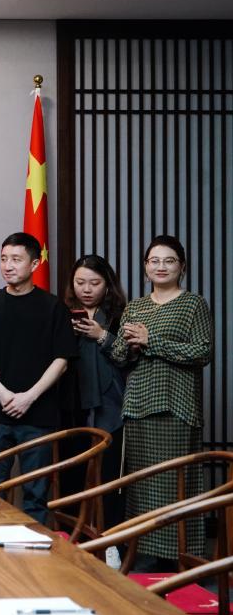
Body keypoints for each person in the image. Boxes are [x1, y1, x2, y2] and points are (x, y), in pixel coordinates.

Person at [111, 235, 212, 565]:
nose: (161, 266)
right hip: (138, 406)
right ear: (145, 267)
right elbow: (119, 356)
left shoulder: (193, 304)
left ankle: (180, 559)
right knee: (140, 487)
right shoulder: (135, 306)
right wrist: (130, 345)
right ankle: (141, 558)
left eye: (169, 261)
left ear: (182, 266)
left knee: (175, 485)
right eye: (154, 261)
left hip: (176, 407)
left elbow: (202, 352)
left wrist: (151, 340)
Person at [0, 232, 77, 524]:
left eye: (16, 259)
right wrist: (1, 393)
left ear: (34, 264)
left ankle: (35, 549)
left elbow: (62, 360)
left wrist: (29, 397)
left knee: (36, 494)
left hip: (38, 415)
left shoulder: (53, 306)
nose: (8, 266)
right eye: (3, 259)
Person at [64, 254, 127, 527]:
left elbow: (130, 358)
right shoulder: (62, 313)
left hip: (110, 402)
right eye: (80, 283)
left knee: (110, 475)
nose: (87, 290)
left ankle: (110, 537)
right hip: (72, 403)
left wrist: (101, 335)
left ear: (107, 284)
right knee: (72, 473)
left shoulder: (121, 315)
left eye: (94, 283)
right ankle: (71, 533)